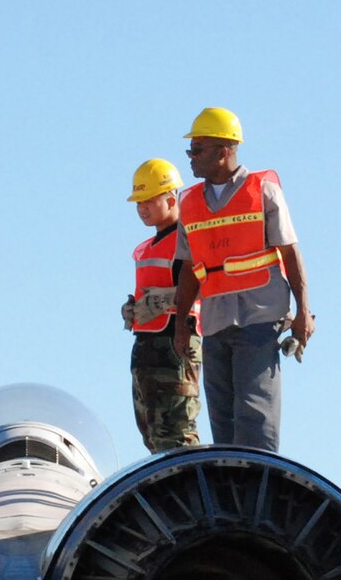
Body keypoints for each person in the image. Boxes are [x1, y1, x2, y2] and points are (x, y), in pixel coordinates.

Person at [171, 108, 314, 451]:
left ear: (224, 151)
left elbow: (291, 254)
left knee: (254, 415)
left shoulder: (262, 190)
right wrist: (179, 325)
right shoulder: (189, 203)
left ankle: (258, 490)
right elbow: (190, 270)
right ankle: (231, 496)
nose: (191, 158)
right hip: (216, 322)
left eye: (198, 149)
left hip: (260, 317)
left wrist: (303, 311)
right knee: (223, 420)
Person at [122, 158, 202, 453]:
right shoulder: (148, 247)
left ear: (171, 199)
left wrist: (164, 300)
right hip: (147, 346)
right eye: (138, 202)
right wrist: (134, 308)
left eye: (149, 200)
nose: (142, 208)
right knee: (153, 434)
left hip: (174, 345)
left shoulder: (188, 239)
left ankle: (191, 488)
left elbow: (205, 286)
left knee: (176, 432)